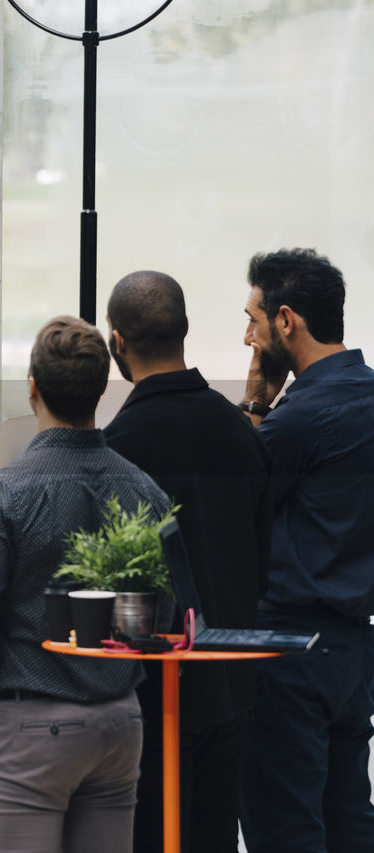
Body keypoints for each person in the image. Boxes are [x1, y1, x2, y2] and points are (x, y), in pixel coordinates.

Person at [0, 315, 167, 853]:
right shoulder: (146, 490)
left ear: (33, 388)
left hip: (30, 725)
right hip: (120, 722)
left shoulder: (0, 494)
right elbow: (164, 616)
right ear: (99, 390)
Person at [101, 270, 272, 853]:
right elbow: (261, 553)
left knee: (155, 835)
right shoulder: (241, 431)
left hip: (157, 693)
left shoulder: (120, 446)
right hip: (233, 677)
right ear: (186, 331)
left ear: (116, 342)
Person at [235, 248, 374, 853]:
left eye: (254, 320)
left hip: (285, 653)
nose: (248, 336)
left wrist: (256, 405)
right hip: (351, 649)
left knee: (283, 827)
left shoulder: (302, 417)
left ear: (287, 321)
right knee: (348, 822)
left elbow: (237, 507)